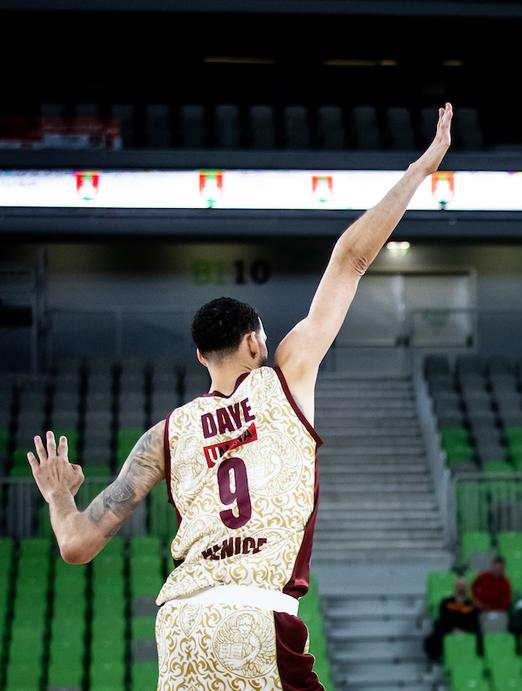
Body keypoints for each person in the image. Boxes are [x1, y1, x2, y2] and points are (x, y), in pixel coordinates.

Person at [25, 104, 455, 689]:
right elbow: (352, 258)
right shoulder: (287, 376)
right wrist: (422, 168)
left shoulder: (164, 436)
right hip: (253, 615)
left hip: (178, 629)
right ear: (255, 342)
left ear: (201, 356)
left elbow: (75, 546)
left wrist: (57, 497)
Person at [424, 576, 480, 662]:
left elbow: (473, 621)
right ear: (454, 588)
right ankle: (441, 659)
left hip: (467, 631)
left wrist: (463, 631)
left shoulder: (472, 604)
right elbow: (444, 619)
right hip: (449, 629)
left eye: (462, 586)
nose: (460, 588)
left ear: (466, 588)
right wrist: (453, 629)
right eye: (458, 586)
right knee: (431, 639)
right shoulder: (446, 602)